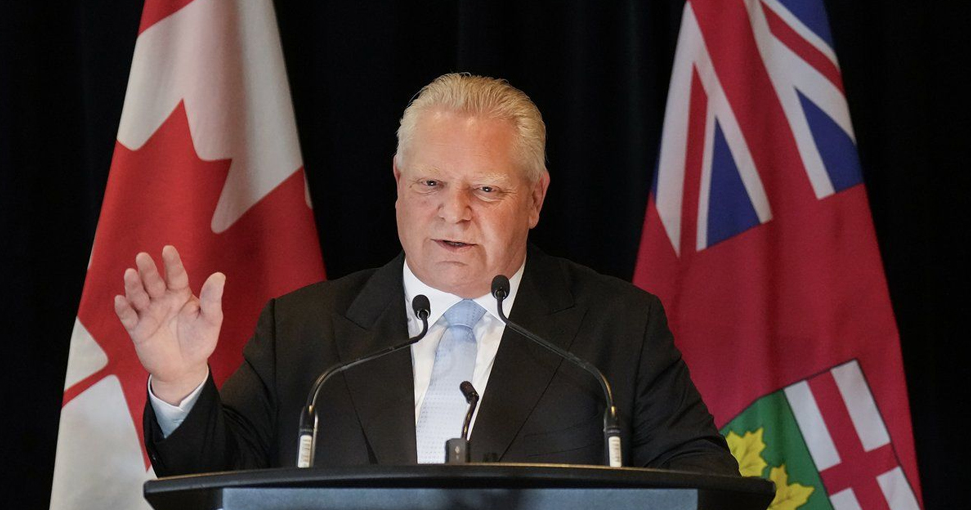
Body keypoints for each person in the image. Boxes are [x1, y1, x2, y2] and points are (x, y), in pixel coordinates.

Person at [115, 73, 739, 476]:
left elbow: (702, 483)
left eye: (486, 189)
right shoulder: (303, 332)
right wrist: (178, 380)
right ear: (397, 186)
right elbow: (216, 486)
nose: (454, 212)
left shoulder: (618, 328)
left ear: (536, 198)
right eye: (431, 184)